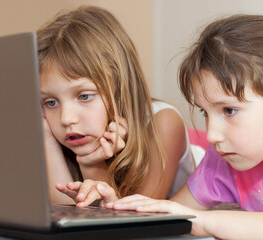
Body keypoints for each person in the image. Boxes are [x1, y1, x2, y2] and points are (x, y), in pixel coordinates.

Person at [78, 14, 263, 239]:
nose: (212, 135)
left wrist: (209, 222)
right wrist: (114, 208)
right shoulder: (227, 157)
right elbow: (173, 217)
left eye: (229, 110)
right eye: (205, 113)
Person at [38, 6, 195, 206]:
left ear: (120, 87)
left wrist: (91, 164)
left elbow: (131, 226)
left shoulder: (164, 123)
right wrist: (47, 139)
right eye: (51, 102)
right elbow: (65, 215)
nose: (66, 118)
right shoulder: (51, 127)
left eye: (85, 96)